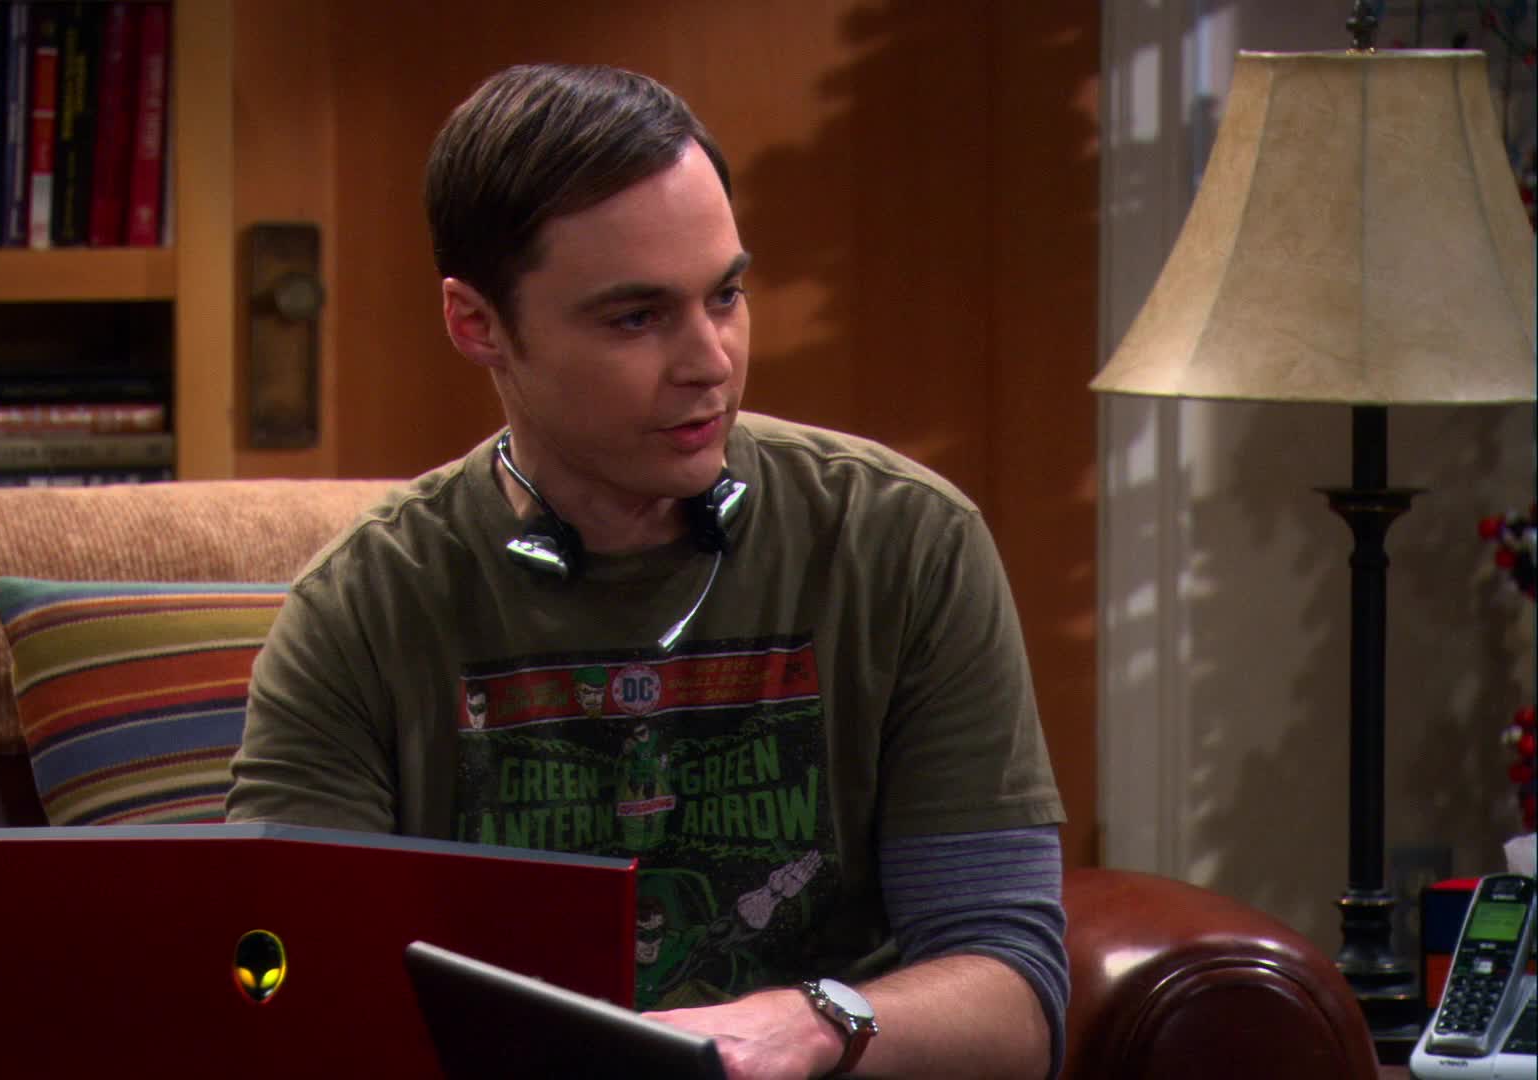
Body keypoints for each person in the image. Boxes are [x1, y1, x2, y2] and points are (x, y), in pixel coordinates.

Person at [227, 62, 1068, 1080]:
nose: (709, 359)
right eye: (636, 317)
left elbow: (1014, 996)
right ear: (477, 323)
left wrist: (810, 1027)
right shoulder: (362, 608)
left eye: (727, 295)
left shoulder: (904, 542)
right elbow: (285, 993)